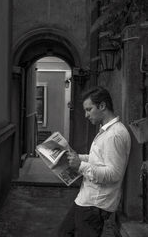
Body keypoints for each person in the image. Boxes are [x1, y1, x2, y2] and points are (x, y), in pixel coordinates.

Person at [58, 86, 131, 237]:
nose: (86, 115)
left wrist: (81, 165)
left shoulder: (114, 135)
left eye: (89, 109)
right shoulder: (106, 131)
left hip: (95, 204)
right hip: (87, 199)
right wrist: (77, 157)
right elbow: (98, 160)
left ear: (102, 106)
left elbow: (113, 174)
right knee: (64, 233)